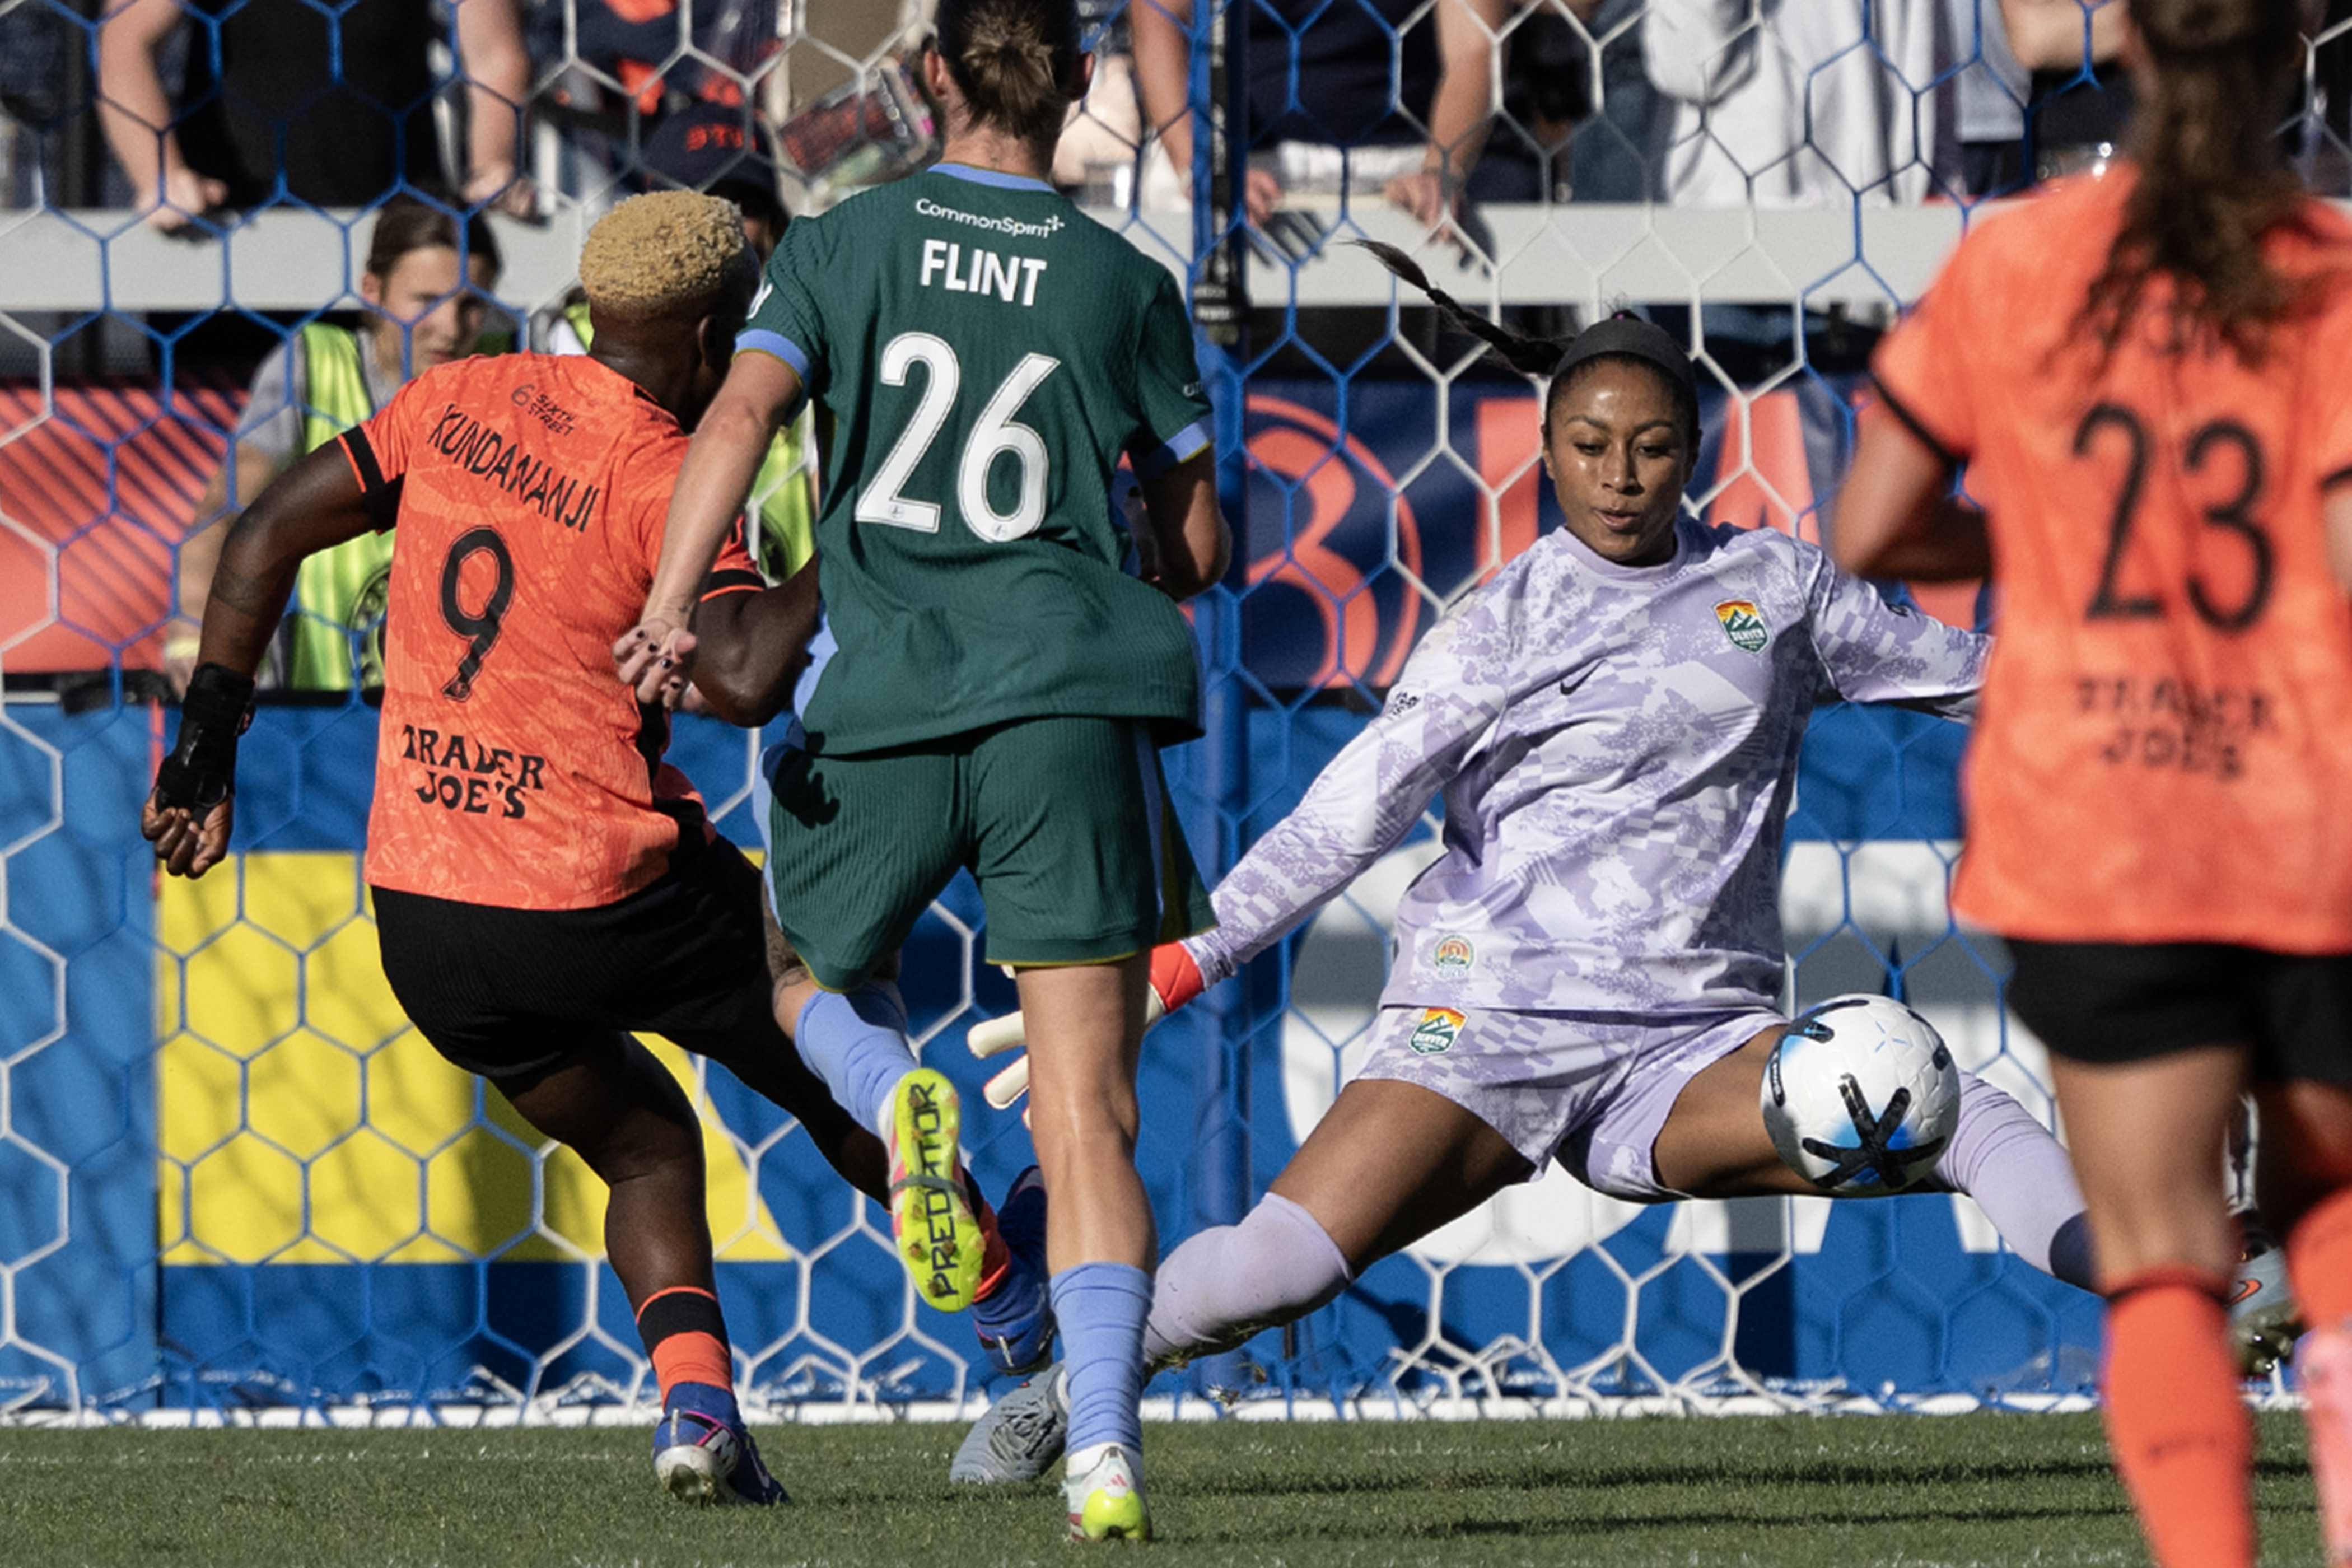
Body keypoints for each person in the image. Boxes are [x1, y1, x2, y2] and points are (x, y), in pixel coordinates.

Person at [945, 252, 2113, 1487]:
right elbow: (1349, 814)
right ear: (1547, 450)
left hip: (1690, 1042)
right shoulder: (1500, 625)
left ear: (1697, 449)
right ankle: (1080, 1381)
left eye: (1653, 446)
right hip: (1489, 1015)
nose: (1621, 476)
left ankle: (2182, 1280)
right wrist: (1181, 961)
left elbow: (1984, 673)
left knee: (1947, 1099)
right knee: (1272, 1271)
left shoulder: (1778, 588)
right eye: (1591, 444)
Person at [138, 192, 1010, 1507]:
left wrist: (205, 749)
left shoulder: (457, 397)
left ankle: (700, 1416)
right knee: (837, 1062)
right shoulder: (673, 473)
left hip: (431, 918)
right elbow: (745, 673)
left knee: (649, 1144)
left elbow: (260, 536)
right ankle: (1023, 1314)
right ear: (720, 333)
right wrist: (859, 530)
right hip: (606, 887)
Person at [614, 0, 1230, 1539]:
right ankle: (1101, 1452)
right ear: (1083, 82)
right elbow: (1202, 547)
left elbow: (742, 419)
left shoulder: (836, 245)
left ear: (928, 74)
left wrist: (673, 605)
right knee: (1087, 1109)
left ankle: (895, 1097)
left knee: (790, 968)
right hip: (1072, 708)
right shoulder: (1126, 282)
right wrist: (1142, 529)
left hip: (886, 695)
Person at [1832, 1, 2352, 1561]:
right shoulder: (2330, 276)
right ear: (2294, 44)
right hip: (2305, 816)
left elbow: (1866, 533)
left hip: (2101, 829)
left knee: (2165, 1266)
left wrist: (2039, 541)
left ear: (2107, 34)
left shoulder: (2015, 263)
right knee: (2335, 1232)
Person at [164, 195, 505, 698]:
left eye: (472, 303)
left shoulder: (511, 380)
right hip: (321, 712)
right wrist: (190, 636)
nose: (452, 327)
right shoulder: (312, 362)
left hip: (460, 719)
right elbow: (226, 508)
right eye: (426, 300)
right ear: (372, 291)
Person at [96, 0, 533, 230]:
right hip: (233, 224)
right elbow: (123, 43)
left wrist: (491, 168)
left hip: (396, 228)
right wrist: (161, 176)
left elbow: (496, 54)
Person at [1128, 0, 1509, 235]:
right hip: (1237, 162)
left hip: (1397, 169)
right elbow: (1157, 20)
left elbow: (1477, 49)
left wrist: (1441, 168)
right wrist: (1200, 162)